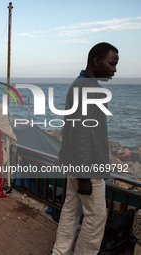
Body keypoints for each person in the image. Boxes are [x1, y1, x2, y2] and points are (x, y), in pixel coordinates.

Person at [52, 42, 119, 255]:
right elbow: (82, 133)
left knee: (71, 210)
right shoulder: (90, 90)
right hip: (87, 167)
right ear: (97, 61)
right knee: (96, 217)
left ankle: (60, 252)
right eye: (112, 64)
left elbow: (70, 130)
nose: (115, 69)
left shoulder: (78, 84)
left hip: (75, 162)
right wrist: (84, 176)